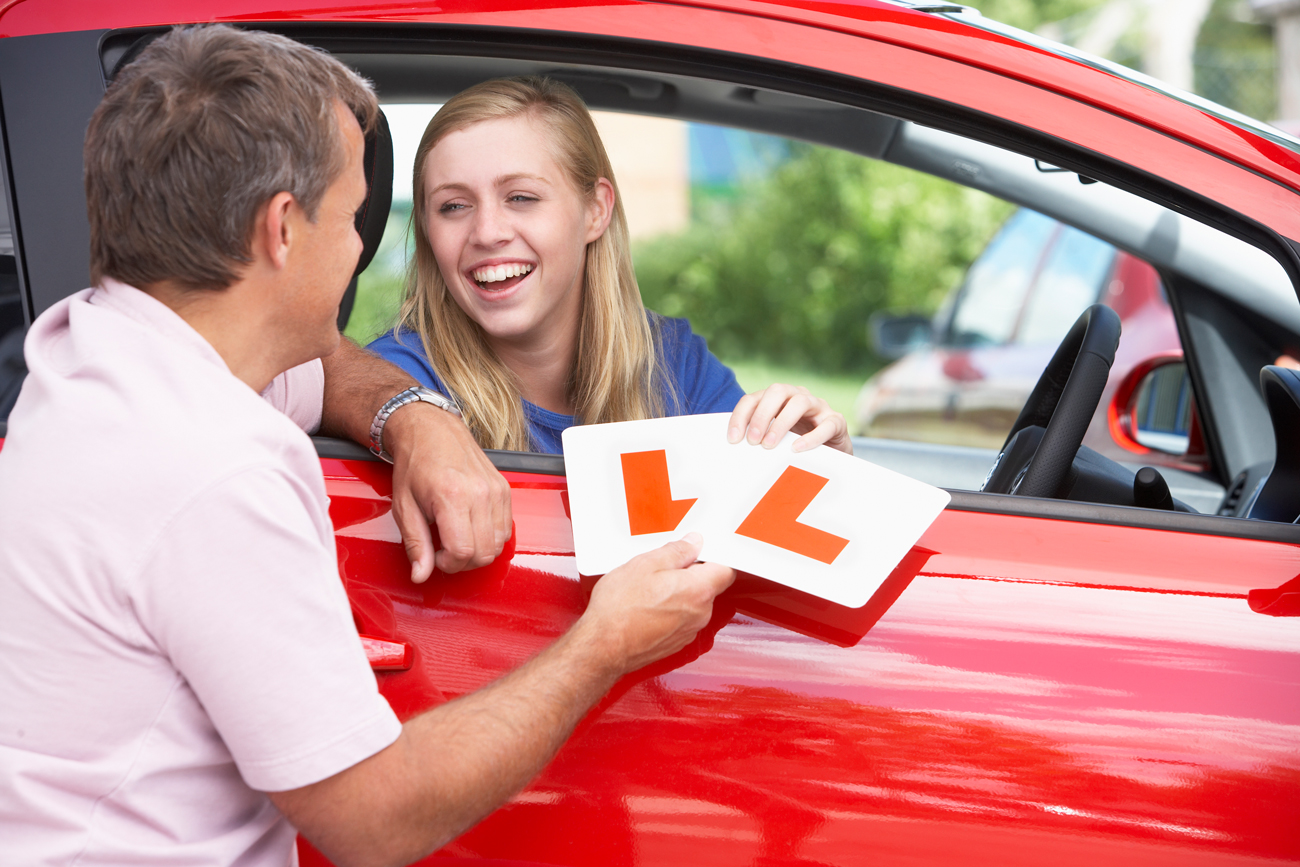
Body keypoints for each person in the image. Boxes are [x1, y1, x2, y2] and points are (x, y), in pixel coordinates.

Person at [0, 25, 734, 867]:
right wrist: (605, 644)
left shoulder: (106, 351)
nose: (358, 249)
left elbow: (332, 368)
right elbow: (375, 822)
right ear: (283, 229)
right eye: (353, 217)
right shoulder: (209, 467)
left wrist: (415, 418)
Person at [369, 76, 853, 457]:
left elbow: (757, 535)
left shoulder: (676, 365)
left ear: (595, 211)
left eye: (521, 197)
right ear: (428, 231)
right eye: (453, 206)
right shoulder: (397, 383)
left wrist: (821, 469)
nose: (488, 232)